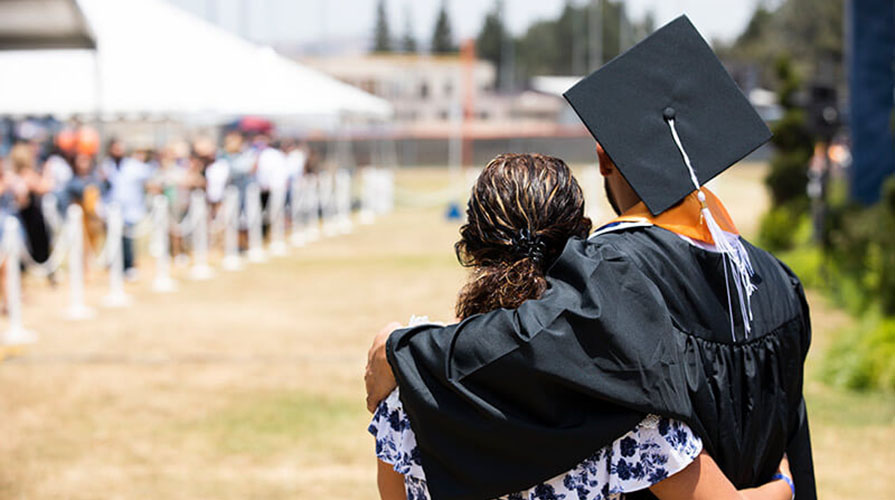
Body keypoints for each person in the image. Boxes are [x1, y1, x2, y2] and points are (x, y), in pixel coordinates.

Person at [365, 16, 814, 500]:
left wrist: (403, 351)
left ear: (604, 160)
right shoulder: (776, 279)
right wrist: (788, 486)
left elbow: (523, 342)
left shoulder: (615, 271)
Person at [371, 153, 797, 500]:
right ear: (579, 243)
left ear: (471, 244)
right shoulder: (622, 403)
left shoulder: (408, 390)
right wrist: (783, 484)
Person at [101, 138, 153, 279]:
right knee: (114, 239)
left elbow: (149, 175)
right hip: (111, 209)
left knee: (127, 240)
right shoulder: (107, 166)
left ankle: (129, 266)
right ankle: (116, 265)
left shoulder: (133, 165)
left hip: (130, 210)